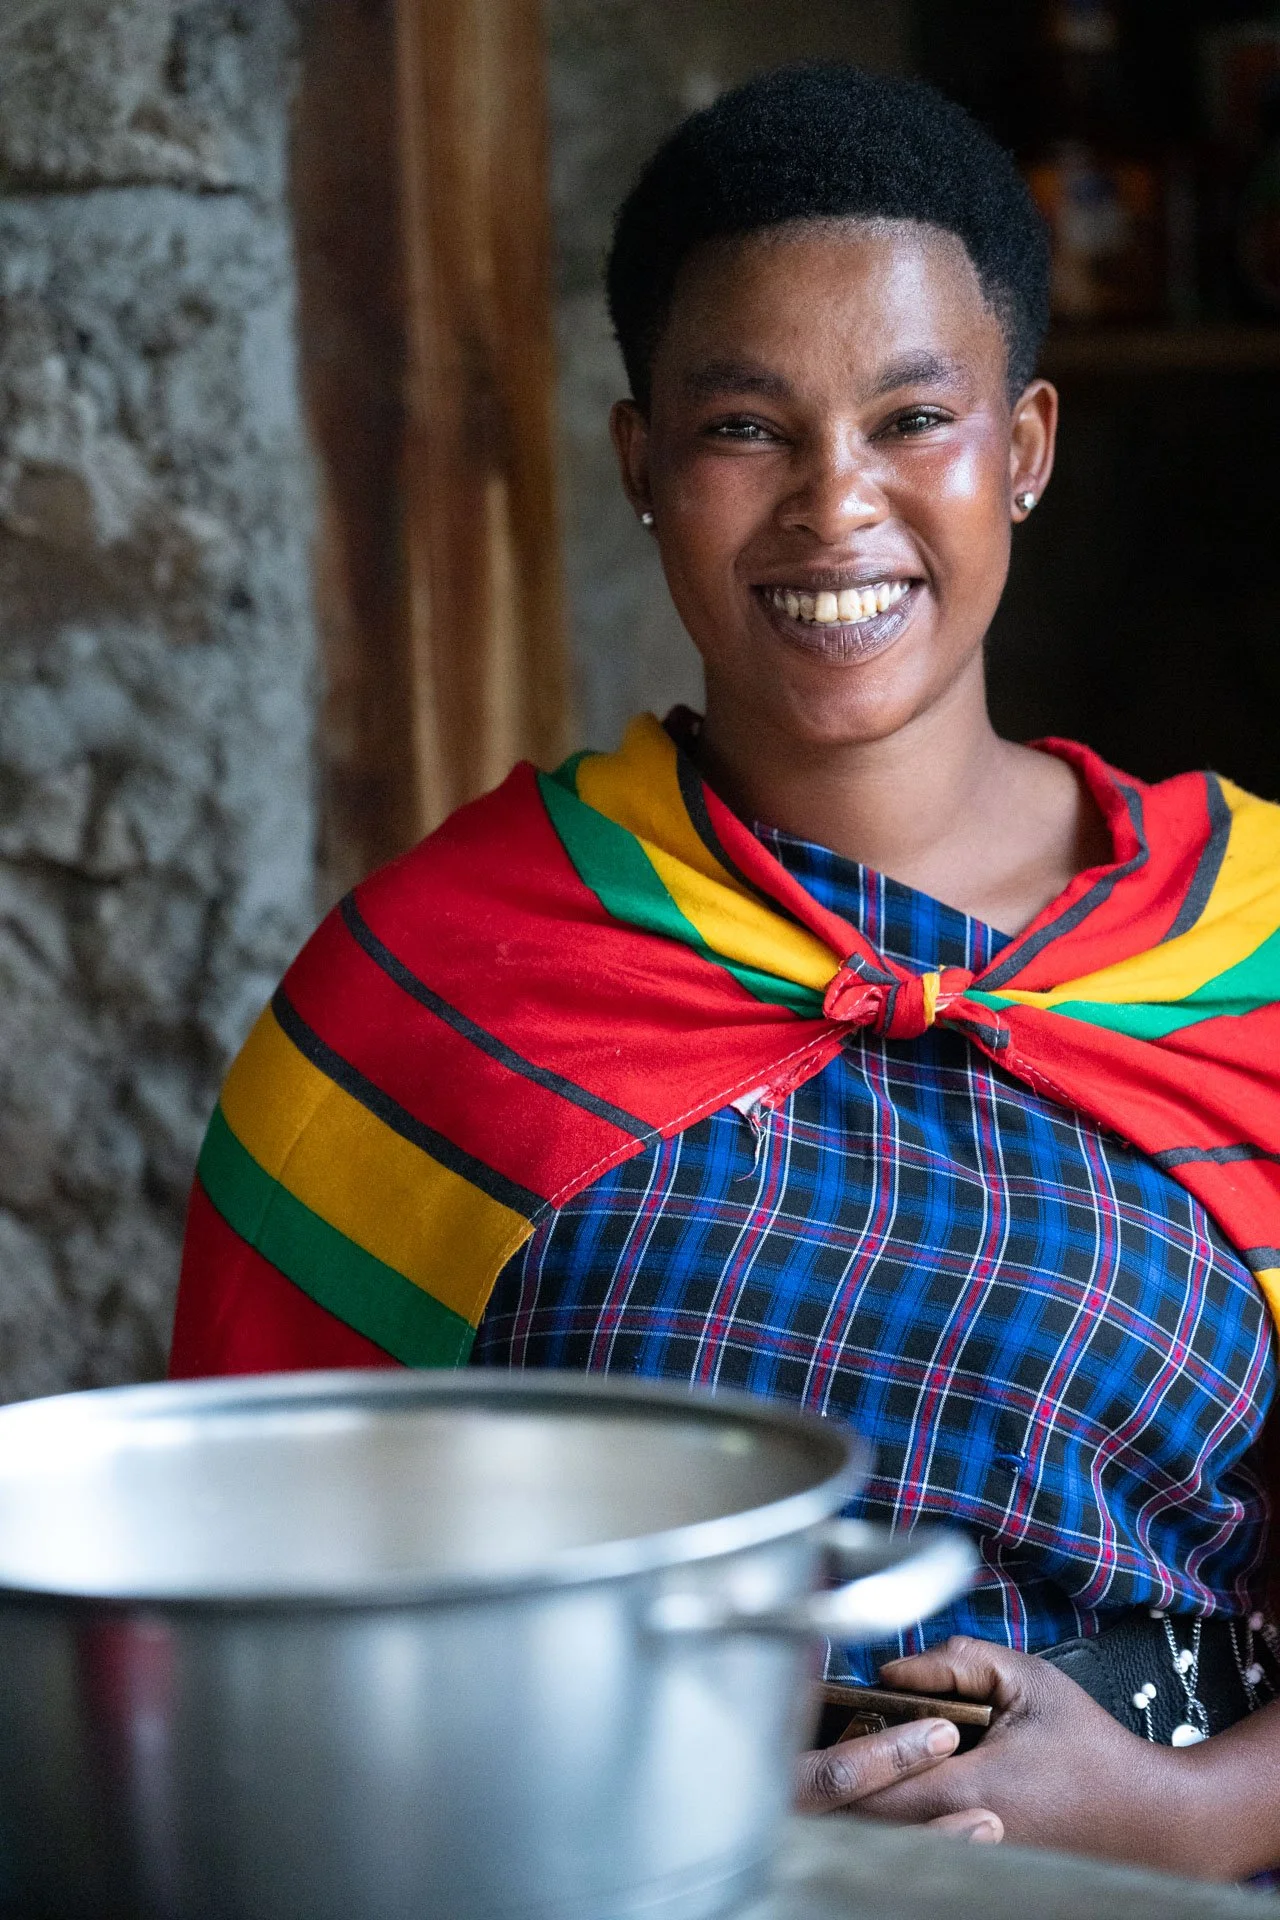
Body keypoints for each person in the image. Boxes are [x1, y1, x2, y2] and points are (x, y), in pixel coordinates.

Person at [171, 65, 1280, 1877]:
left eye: (914, 415)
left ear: (1027, 446)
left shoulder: (1257, 949)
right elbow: (241, 1631)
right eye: (746, 428)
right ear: (641, 469)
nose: (834, 507)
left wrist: (1178, 1815)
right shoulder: (443, 984)